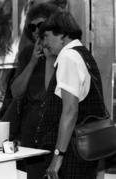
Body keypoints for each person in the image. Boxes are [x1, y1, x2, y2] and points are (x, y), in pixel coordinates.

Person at [36, 11, 106, 178]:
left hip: (71, 155)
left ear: (62, 34)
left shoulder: (68, 56)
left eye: (46, 36)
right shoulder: (83, 53)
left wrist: (57, 157)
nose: (44, 43)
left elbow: (70, 111)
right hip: (83, 152)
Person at [0, 3, 61, 179]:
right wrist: (33, 61)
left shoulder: (62, 53)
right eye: (32, 27)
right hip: (31, 127)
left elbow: (55, 92)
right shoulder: (27, 53)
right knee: (33, 173)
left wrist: (49, 58)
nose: (36, 31)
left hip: (53, 126)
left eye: (40, 25)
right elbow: (16, 91)